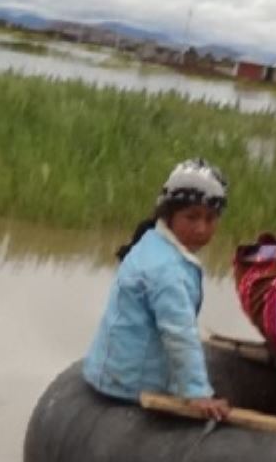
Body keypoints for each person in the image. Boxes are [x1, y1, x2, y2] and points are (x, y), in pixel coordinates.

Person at [82, 158, 233, 421]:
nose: (202, 228)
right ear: (169, 215)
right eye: (192, 217)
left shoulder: (151, 242)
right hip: (130, 384)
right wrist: (197, 393)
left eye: (210, 219)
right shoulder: (166, 270)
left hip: (113, 371)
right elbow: (179, 332)